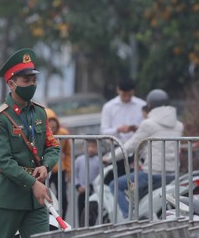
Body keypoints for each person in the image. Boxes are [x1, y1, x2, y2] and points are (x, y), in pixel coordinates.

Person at [0, 48, 60, 238]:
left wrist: (46, 166)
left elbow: (52, 146)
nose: (32, 85)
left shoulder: (39, 112)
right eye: (26, 81)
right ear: (11, 83)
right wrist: (33, 183)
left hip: (34, 201)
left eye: (33, 80)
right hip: (8, 196)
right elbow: (4, 161)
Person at [110, 89, 183, 220]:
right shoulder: (178, 125)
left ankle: (129, 217)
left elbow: (130, 146)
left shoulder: (148, 124)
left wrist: (110, 157)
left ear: (150, 106)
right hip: (172, 174)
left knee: (115, 185)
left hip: (152, 174)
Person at [100, 78, 146, 143]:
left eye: (130, 95)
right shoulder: (108, 107)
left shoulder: (142, 105)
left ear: (133, 91)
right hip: (115, 146)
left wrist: (136, 128)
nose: (127, 98)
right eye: (124, 95)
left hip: (137, 146)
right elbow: (104, 131)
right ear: (118, 90)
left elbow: (147, 127)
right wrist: (117, 130)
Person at [46, 108, 71, 216]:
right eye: (49, 126)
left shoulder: (63, 134)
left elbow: (68, 153)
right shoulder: (41, 134)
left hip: (60, 170)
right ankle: (49, 219)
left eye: (54, 126)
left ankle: (62, 220)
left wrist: (69, 171)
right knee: (46, 197)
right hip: (46, 169)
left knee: (63, 198)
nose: (52, 129)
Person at [73, 138, 103, 221]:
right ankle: (81, 228)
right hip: (82, 191)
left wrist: (92, 186)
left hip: (93, 191)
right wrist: (78, 186)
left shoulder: (98, 160)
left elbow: (100, 176)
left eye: (93, 146)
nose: (90, 149)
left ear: (97, 148)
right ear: (83, 148)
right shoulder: (79, 160)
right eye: (88, 146)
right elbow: (75, 174)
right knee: (81, 211)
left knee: (93, 212)